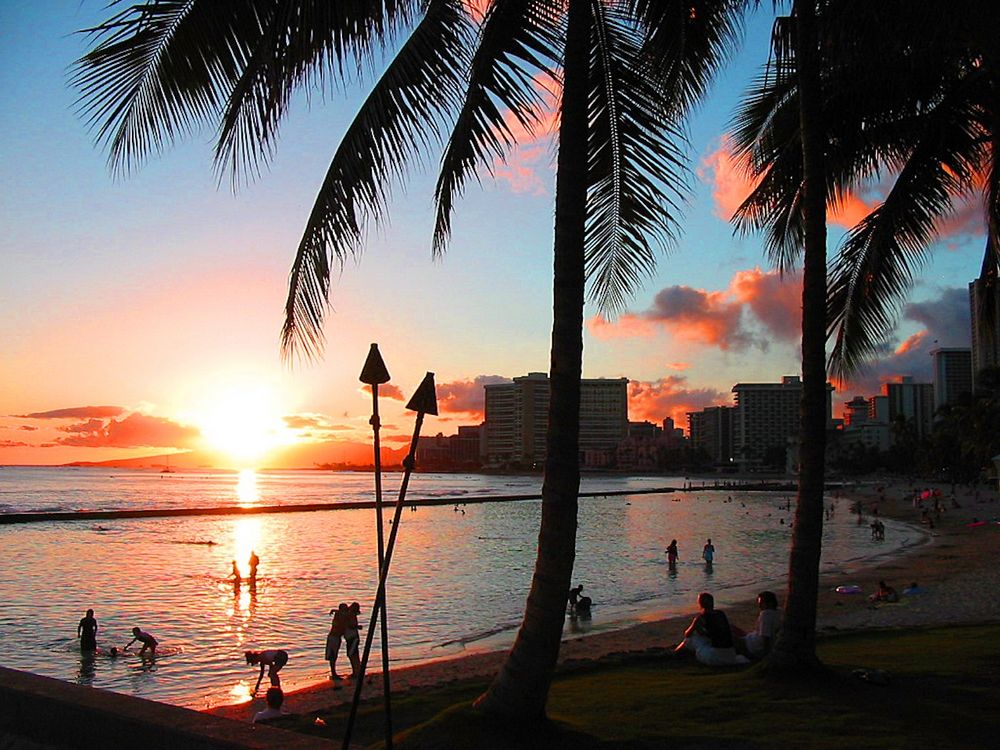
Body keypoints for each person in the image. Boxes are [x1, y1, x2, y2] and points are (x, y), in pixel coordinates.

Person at [674, 592, 747, 666]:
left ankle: (675, 652)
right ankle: (677, 652)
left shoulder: (701, 618)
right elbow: (716, 632)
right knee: (700, 638)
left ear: (701, 604)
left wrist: (695, 625)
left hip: (715, 656)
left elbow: (687, 634)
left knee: (690, 639)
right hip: (731, 654)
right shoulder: (721, 614)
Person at [740, 591, 781, 658]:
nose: (759, 605)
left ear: (770, 603)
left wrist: (766, 655)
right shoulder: (778, 611)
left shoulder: (766, 614)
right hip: (753, 638)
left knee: (732, 636)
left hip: (753, 645)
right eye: (759, 602)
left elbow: (766, 637)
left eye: (761, 602)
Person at [325, 603, 348, 680]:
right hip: (333, 637)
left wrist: (334, 610)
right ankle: (333, 673)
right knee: (332, 656)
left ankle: (334, 673)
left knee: (334, 656)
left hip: (336, 638)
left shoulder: (341, 614)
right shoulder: (339, 615)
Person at [345, 603, 362, 678]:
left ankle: (356, 672)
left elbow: (351, 625)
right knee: (353, 655)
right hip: (351, 638)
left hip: (353, 638)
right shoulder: (351, 615)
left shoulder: (351, 615)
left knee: (352, 655)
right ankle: (356, 671)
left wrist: (356, 626)